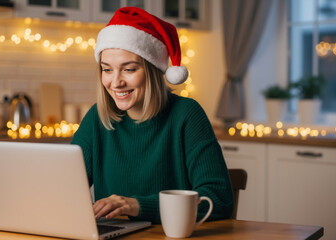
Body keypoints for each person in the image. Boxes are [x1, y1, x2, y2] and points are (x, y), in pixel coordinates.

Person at [71, 6, 233, 224]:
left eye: (129, 69)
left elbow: (218, 199)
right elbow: (64, 187)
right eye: (107, 69)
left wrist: (137, 206)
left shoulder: (186, 115)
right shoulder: (97, 118)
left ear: (153, 71)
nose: (116, 82)